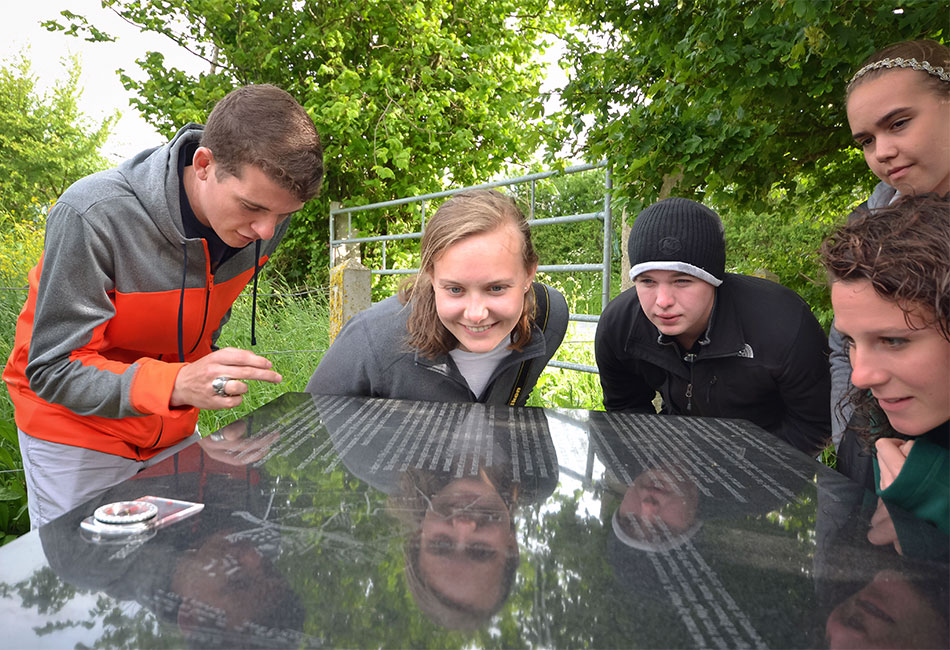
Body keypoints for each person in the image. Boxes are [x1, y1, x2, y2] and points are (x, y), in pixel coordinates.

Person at [4, 84, 325, 528]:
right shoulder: (93, 214)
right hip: (75, 434)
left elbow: (202, 327)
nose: (267, 231)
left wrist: (203, 377)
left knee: (174, 559)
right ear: (204, 165)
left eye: (283, 214)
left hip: (170, 424)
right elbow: (52, 369)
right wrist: (177, 383)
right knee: (90, 578)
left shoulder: (263, 224)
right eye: (252, 207)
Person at [594, 197, 831, 456]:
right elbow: (626, 409)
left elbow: (814, 423)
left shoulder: (784, 322)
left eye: (682, 280)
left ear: (714, 279)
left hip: (767, 453)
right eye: (647, 281)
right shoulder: (619, 325)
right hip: (675, 456)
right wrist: (658, 463)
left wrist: (743, 473)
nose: (662, 302)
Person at [306, 188, 568, 406]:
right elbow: (306, 429)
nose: (476, 314)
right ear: (431, 276)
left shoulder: (549, 317)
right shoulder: (371, 339)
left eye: (496, 288)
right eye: (455, 289)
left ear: (529, 274)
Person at [829, 39, 950, 454]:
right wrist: (857, 442)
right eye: (865, 140)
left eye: (898, 123)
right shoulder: (869, 220)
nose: (883, 152)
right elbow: (843, 348)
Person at [820, 193, 949, 534]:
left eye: (894, 340)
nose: (860, 377)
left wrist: (938, 499)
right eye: (850, 341)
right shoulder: (869, 428)